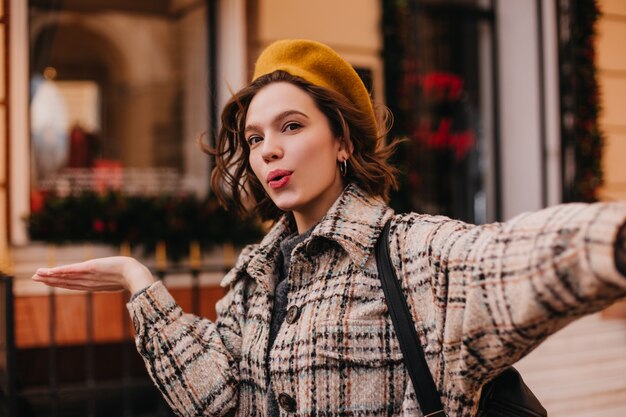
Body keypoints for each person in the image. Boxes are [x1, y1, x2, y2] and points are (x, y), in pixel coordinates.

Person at [33, 39, 626, 417]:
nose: (267, 152)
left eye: (291, 126)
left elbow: (515, 256)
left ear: (342, 141)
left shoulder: (412, 251)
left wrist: (613, 241)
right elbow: (221, 401)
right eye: (256, 138)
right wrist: (140, 283)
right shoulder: (258, 276)